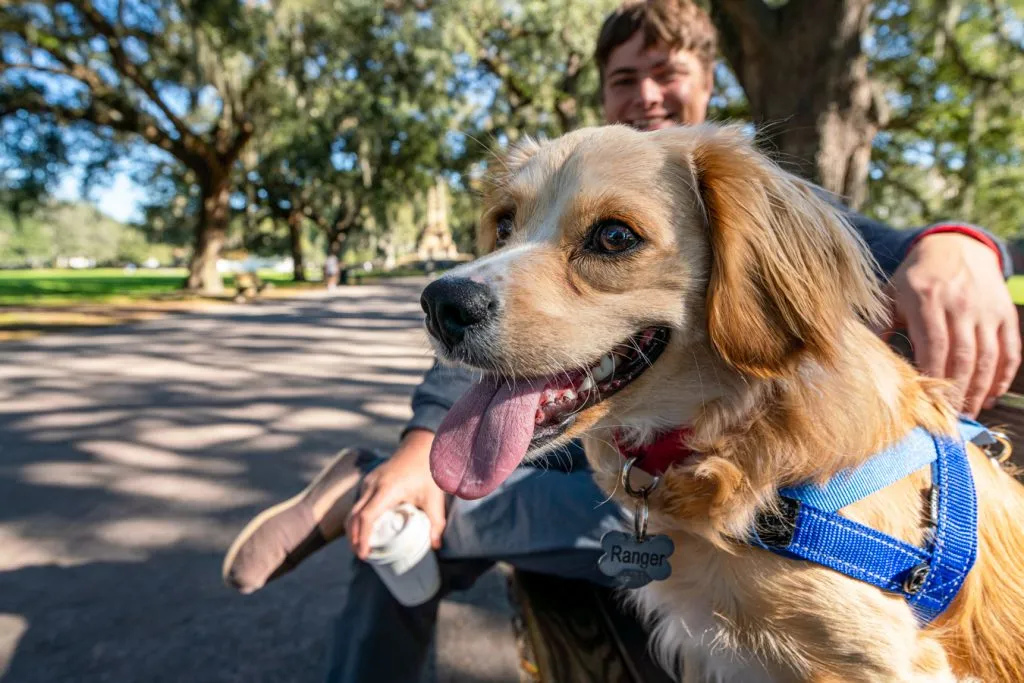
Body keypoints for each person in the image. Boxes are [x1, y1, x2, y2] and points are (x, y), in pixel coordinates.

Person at [222, 2, 1019, 681]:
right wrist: (421, 446)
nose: (645, 95)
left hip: (740, 497)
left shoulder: (738, 188)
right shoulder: (579, 163)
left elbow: (874, 252)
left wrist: (960, 240)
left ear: (706, 82)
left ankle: (367, 492)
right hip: (630, 477)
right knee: (396, 524)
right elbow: (479, 362)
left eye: (611, 236)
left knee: (403, 521)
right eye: (623, 79)